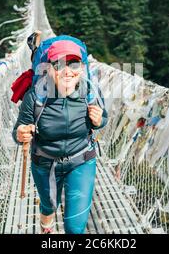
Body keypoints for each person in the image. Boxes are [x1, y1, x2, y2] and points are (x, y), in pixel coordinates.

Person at [13, 39, 108, 234]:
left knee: (75, 228)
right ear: (48, 68)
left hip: (81, 160)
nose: (67, 71)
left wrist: (99, 121)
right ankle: (46, 225)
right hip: (45, 164)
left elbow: (103, 117)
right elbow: (17, 131)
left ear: (82, 68)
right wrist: (21, 133)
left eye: (73, 64)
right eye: (59, 64)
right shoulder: (35, 96)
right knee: (49, 206)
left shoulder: (89, 90)